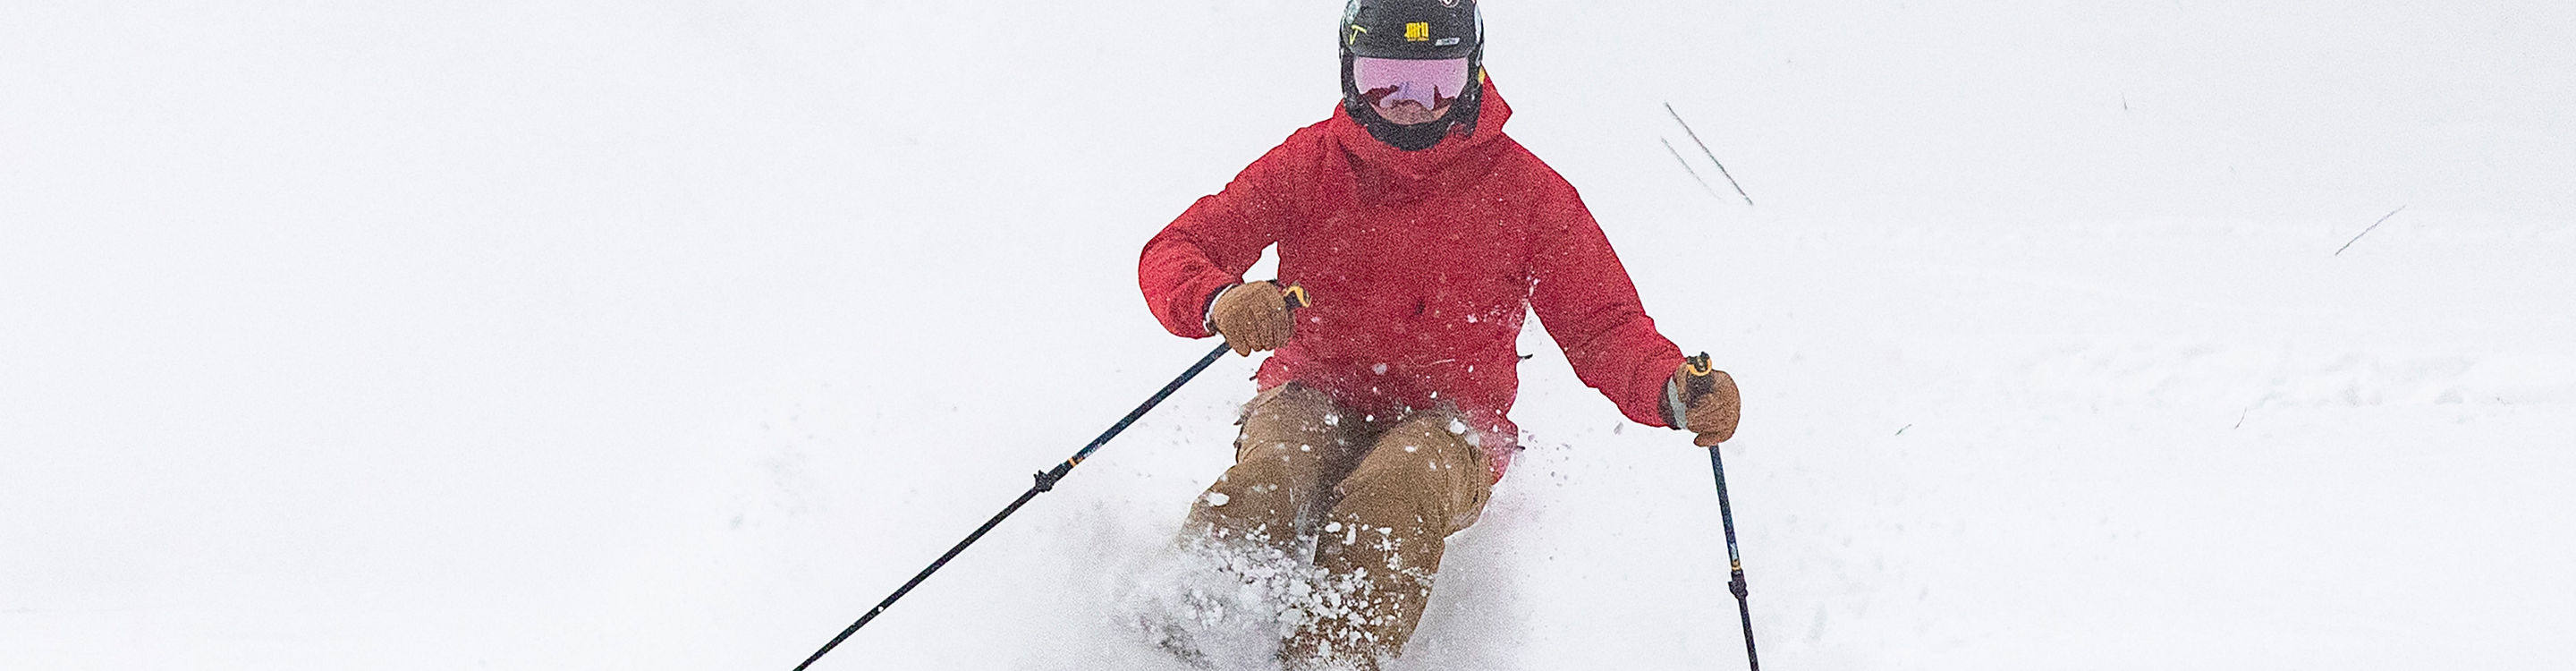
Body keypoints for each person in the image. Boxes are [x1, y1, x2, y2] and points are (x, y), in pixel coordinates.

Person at [1136, 1, 1741, 667]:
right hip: (1311, 390)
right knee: (1274, 474)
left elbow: (1605, 327)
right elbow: (1177, 249)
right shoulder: (1310, 164)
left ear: (1473, 77)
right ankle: (1169, 646)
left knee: (1395, 491)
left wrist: (1672, 388)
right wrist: (1222, 298)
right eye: (1383, 80)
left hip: (1452, 422)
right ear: (1349, 73)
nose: (1410, 104)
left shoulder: (1526, 194)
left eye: (1436, 83)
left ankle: (1330, 661)